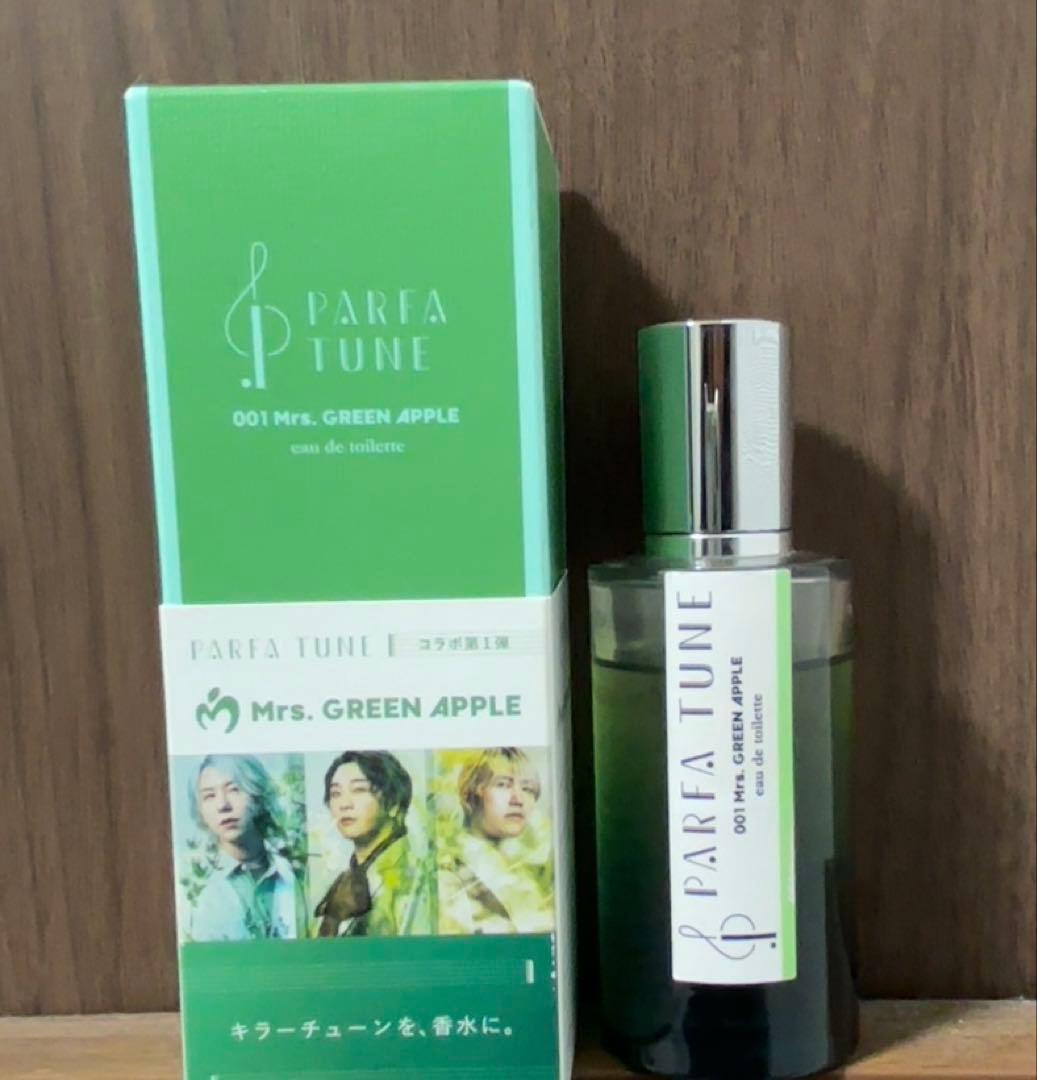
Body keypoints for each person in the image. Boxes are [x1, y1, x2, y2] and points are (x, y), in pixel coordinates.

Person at [185, 754, 306, 942]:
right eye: (209, 796)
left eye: (234, 789)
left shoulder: (295, 871)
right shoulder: (195, 890)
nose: (223, 805)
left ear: (257, 796)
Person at [314, 750, 432, 937]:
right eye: (335, 793)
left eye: (359, 790)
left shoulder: (418, 877)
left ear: (394, 803)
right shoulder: (340, 883)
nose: (344, 804)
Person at [437, 747, 554, 935]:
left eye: (527, 789)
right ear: (473, 791)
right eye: (503, 785)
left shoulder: (527, 870)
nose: (518, 799)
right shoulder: (448, 870)